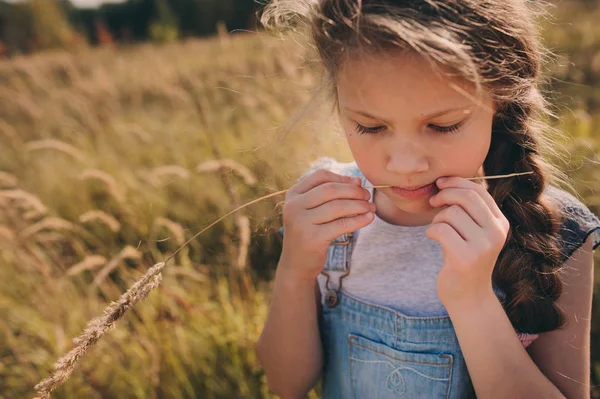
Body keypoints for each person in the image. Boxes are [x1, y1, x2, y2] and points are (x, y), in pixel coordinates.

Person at [255, 1, 600, 398]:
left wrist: (472, 300)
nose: (406, 165)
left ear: (500, 101)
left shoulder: (556, 229)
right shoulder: (325, 212)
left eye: (442, 125)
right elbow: (286, 383)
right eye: (370, 126)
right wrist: (295, 272)